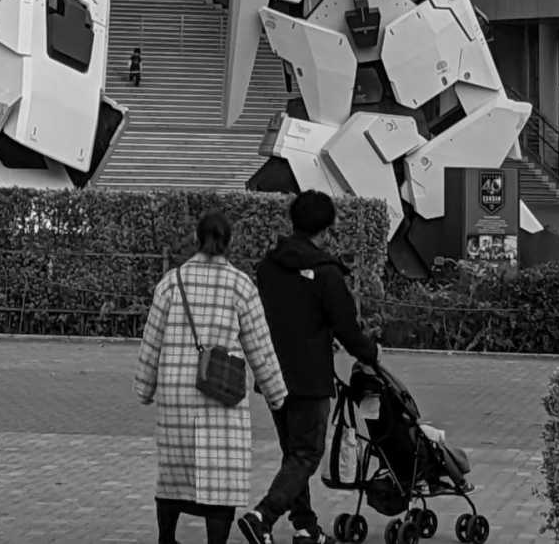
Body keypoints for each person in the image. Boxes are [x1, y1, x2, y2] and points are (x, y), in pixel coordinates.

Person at [136, 208, 287, 544]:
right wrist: (276, 394)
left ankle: (166, 539)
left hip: (176, 392)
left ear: (196, 239)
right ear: (229, 243)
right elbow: (260, 347)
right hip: (222, 393)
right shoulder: (241, 285)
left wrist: (145, 388)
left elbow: (152, 341)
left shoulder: (171, 283)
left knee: (174, 472)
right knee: (221, 476)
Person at [239, 190, 380, 544]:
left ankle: (305, 527)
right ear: (326, 229)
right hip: (309, 376)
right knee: (307, 453)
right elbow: (346, 327)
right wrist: (370, 353)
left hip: (271, 371)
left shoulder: (268, 267)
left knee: (294, 454)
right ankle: (262, 516)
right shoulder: (326, 272)